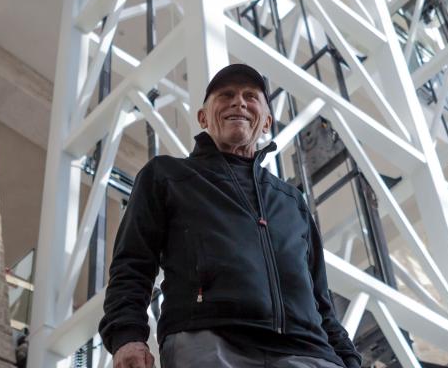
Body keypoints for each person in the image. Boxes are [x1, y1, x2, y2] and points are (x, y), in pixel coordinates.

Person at [99, 64, 362, 368]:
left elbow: (320, 301)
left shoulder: (292, 201)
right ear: (203, 117)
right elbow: (133, 263)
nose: (239, 102)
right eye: (226, 95)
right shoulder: (167, 176)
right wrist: (127, 336)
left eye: (251, 96)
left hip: (309, 352)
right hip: (209, 341)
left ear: (266, 122)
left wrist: (350, 360)